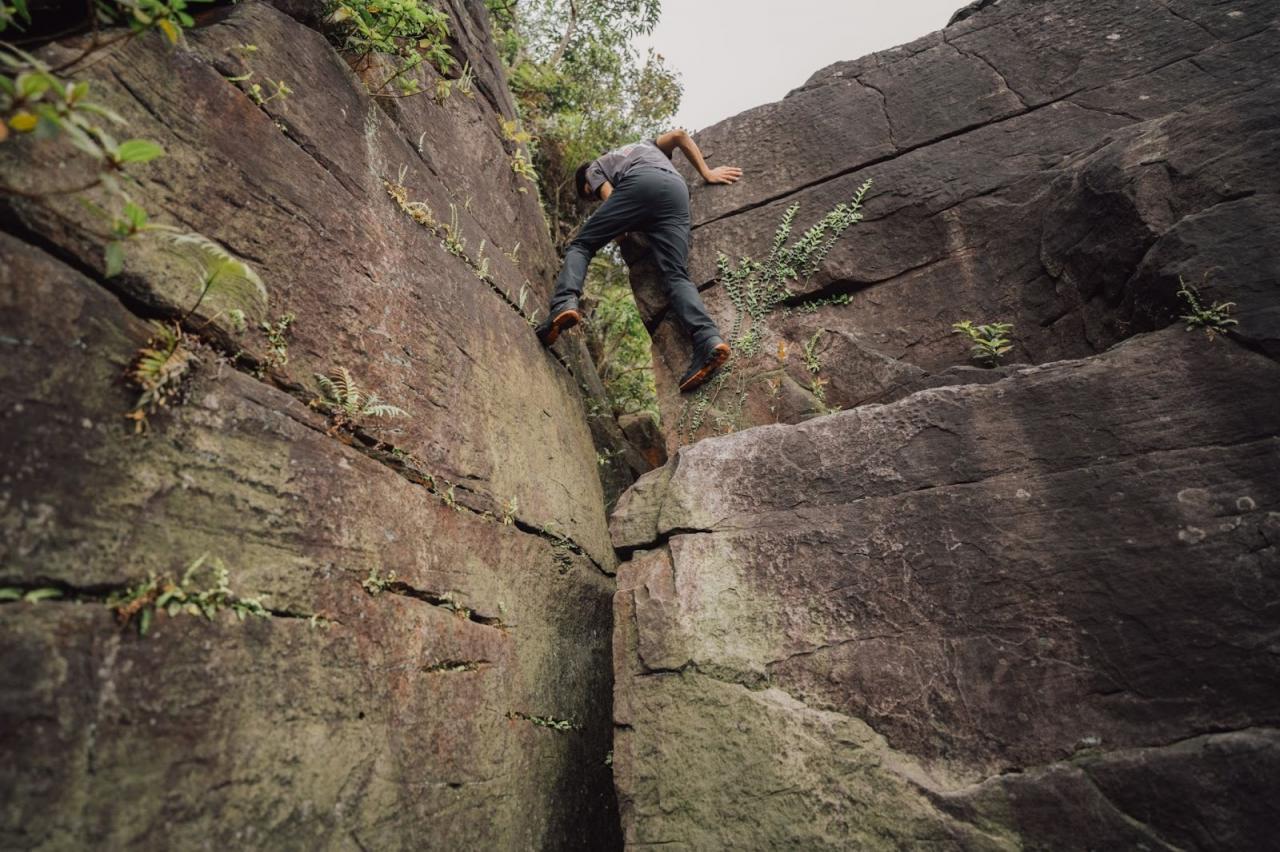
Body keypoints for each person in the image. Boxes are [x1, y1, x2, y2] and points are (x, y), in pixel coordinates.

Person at [535, 129, 743, 393]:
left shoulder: (594, 168)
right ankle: (708, 340)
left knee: (581, 245)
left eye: (590, 195)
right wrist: (707, 172)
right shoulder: (647, 145)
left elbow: (612, 199)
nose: (594, 198)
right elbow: (679, 135)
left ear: (586, 184)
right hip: (676, 192)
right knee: (676, 275)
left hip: (641, 184)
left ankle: (564, 302)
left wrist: (620, 232)